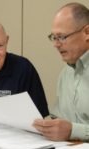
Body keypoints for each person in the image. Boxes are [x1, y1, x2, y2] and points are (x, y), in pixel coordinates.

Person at [33, 2, 89, 141]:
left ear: (87, 32)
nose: (56, 44)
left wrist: (74, 131)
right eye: (54, 37)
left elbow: (69, 130)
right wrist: (47, 126)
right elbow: (59, 119)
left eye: (62, 37)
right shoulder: (66, 73)